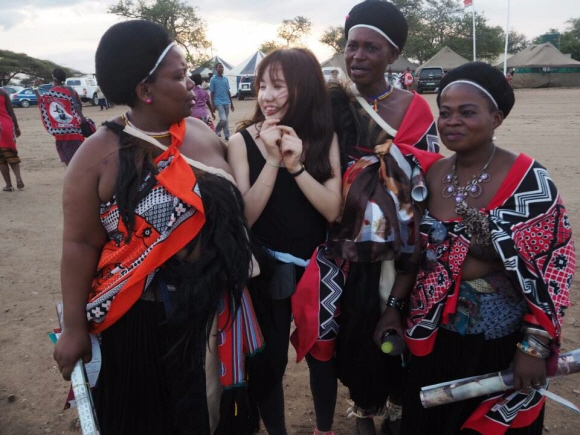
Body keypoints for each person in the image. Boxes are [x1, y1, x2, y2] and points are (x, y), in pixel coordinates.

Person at [52, 20, 263, 435]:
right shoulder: (99, 155)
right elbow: (79, 244)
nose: (191, 83)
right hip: (142, 323)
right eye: (179, 76)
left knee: (218, 415)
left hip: (215, 310)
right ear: (145, 90)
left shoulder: (201, 132)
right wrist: (75, 327)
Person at [290, 2, 441, 434]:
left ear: (392, 55)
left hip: (399, 243)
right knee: (348, 330)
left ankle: (394, 404)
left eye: (370, 48)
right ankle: (362, 406)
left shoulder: (415, 110)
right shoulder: (329, 102)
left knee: (392, 321)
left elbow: (424, 176)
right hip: (341, 240)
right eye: (351, 46)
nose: (356, 56)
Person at [401, 61, 575, 434]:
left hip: (501, 341)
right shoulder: (430, 175)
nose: (452, 122)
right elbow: (416, 254)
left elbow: (552, 271)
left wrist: (533, 348)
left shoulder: (529, 181)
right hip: (434, 337)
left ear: (496, 118)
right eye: (444, 113)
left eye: (467, 112)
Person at [227, 47, 342, 435]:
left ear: (303, 88)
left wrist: (296, 165)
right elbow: (246, 216)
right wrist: (273, 161)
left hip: (316, 270)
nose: (267, 96)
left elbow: (332, 210)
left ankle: (323, 429)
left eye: (278, 86)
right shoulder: (241, 141)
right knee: (270, 361)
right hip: (267, 269)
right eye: (262, 86)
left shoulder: (324, 138)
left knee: (321, 357)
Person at [36, 69, 85, 165]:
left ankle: (73, 177)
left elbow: (41, 102)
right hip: (74, 129)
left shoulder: (50, 93)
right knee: (79, 159)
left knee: (68, 160)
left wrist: (35, 88)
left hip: (60, 131)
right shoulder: (71, 91)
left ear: (54, 78)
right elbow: (79, 107)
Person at [0, 87, 24, 191]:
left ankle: (8, 185)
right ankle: (18, 178)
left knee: (1, 159)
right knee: (11, 153)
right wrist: (17, 127)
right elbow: (11, 111)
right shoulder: (3, 92)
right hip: (6, 125)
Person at [210, 63, 234, 140]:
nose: (222, 68)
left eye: (222, 67)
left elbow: (228, 91)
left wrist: (232, 103)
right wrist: (213, 104)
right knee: (223, 119)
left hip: (226, 101)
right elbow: (212, 92)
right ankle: (217, 129)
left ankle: (227, 135)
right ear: (216, 69)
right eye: (220, 67)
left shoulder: (225, 79)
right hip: (218, 101)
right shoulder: (213, 79)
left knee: (226, 119)